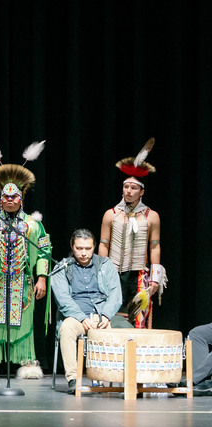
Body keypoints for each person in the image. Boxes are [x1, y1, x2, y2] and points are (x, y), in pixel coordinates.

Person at [0, 139, 52, 379]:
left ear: (21, 199)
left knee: (24, 324)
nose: (9, 200)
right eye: (5, 197)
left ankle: (27, 363)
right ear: (0, 199)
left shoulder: (33, 225)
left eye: (13, 196)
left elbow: (44, 252)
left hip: (23, 283)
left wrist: (41, 279)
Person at [49, 229, 130, 394]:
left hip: (102, 316)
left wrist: (106, 315)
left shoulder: (105, 265)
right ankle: (73, 379)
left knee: (128, 332)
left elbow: (115, 294)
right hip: (76, 317)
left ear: (94, 248)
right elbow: (62, 298)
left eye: (88, 248)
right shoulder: (62, 267)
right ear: (72, 247)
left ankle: (131, 379)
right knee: (67, 328)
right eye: (79, 248)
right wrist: (80, 317)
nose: (83, 253)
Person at [98, 138, 165, 328]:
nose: (128, 191)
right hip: (114, 272)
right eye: (126, 187)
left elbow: (155, 246)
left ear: (141, 192)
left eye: (133, 188)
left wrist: (155, 278)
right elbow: (103, 244)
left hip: (139, 275)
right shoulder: (111, 215)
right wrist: (103, 272)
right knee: (111, 316)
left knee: (139, 319)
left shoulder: (151, 216)